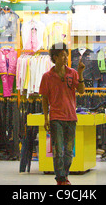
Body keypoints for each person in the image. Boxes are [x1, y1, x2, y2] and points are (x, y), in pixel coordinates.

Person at [39, 42, 85, 185]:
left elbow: (82, 91)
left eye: (66, 55)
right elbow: (44, 99)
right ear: (55, 57)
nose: (66, 58)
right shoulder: (47, 76)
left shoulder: (73, 73)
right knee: (58, 150)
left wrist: (81, 73)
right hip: (56, 117)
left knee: (69, 152)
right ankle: (61, 179)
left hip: (71, 116)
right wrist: (45, 118)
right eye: (63, 55)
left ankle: (64, 176)